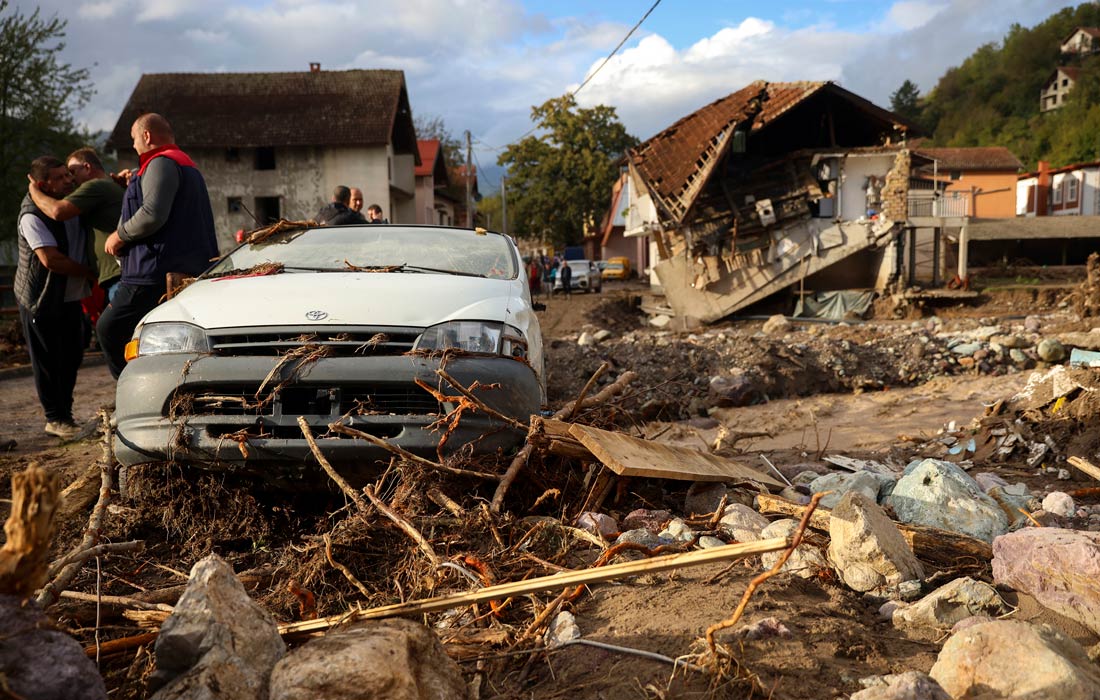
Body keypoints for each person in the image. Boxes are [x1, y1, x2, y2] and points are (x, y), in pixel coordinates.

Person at [98, 113, 220, 379]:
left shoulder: (161, 163)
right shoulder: (182, 163)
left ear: (147, 136)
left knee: (110, 328)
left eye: (133, 139)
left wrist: (119, 235)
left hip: (152, 271)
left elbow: (153, 213)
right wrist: (134, 183)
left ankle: (127, 392)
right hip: (179, 266)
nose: (133, 146)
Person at [15, 156, 98, 438]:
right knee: (48, 360)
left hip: (69, 295)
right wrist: (89, 271)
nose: (68, 180)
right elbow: (51, 260)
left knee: (74, 353)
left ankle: (65, 415)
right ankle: (56, 419)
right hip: (41, 298)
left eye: (68, 174)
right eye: (60, 177)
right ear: (42, 185)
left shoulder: (68, 203)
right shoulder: (31, 215)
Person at [27, 147, 124, 303]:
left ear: (87, 167)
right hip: (117, 276)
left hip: (118, 277)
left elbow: (57, 211)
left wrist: (33, 191)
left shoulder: (95, 186)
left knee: (114, 327)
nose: (70, 180)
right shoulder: (108, 186)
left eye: (72, 172)